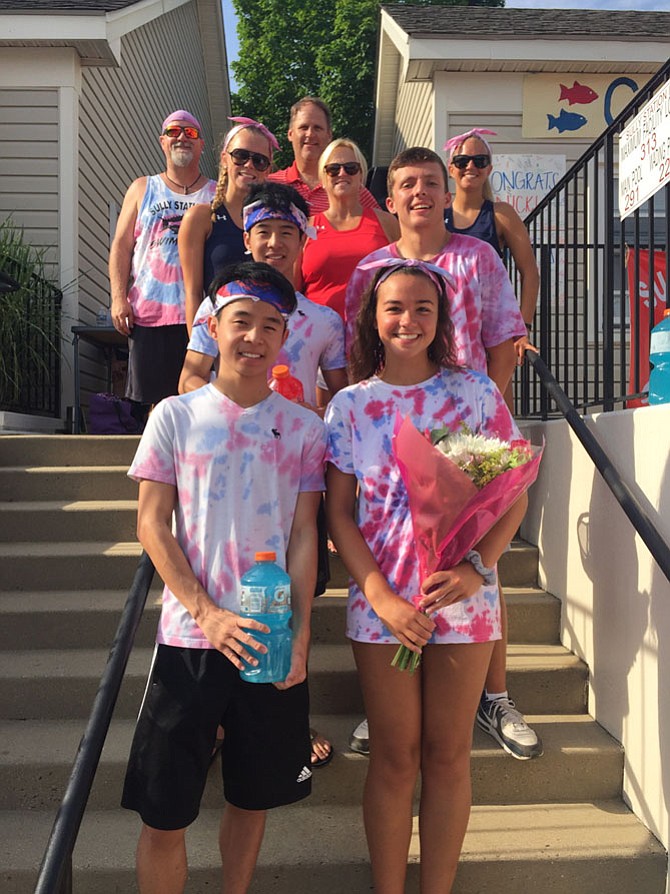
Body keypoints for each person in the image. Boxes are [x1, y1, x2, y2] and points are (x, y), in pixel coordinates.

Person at [121, 261, 326, 894]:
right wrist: (206, 612)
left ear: (284, 336)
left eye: (272, 325)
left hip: (267, 641)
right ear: (213, 326)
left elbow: (302, 536)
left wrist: (299, 635)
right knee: (164, 812)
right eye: (242, 321)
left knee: (253, 796)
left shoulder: (304, 429)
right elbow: (153, 526)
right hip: (189, 641)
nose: (256, 338)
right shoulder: (175, 417)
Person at [325, 259, 528, 894]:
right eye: (395, 308)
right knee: (393, 758)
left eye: (423, 309)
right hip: (383, 608)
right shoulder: (351, 405)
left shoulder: (474, 393)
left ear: (440, 320)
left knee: (447, 757)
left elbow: (512, 490)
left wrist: (477, 567)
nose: (408, 320)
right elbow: (337, 511)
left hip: (464, 604)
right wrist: (381, 596)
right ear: (373, 318)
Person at [344, 146, 541, 762]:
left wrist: (483, 444)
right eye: (407, 184)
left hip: (468, 436)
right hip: (388, 433)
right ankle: (389, 704)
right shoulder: (371, 268)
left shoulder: (477, 256)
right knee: (397, 555)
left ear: (446, 187)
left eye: (432, 181)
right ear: (392, 197)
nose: (420, 193)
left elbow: (504, 340)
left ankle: (495, 694)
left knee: (479, 567)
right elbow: (359, 352)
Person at [179, 181, 347, 768]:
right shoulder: (216, 306)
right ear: (246, 237)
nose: (274, 242)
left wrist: (302, 410)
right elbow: (189, 379)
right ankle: (224, 722)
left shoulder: (325, 319)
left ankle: (290, 719)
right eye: (263, 231)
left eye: (287, 232)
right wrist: (246, 405)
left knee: (298, 602)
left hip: (293, 475)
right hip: (228, 474)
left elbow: (344, 399)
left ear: (305, 240)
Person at [109, 110, 216, 424]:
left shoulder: (215, 194)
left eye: (191, 133)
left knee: (200, 402)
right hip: (150, 312)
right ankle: (156, 471)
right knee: (157, 410)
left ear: (202, 146)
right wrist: (118, 297)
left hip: (201, 314)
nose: (182, 137)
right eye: (173, 131)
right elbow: (121, 246)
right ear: (162, 142)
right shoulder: (143, 188)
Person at [444, 127, 540, 408]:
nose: (470, 167)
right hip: (447, 328)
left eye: (479, 161)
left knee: (496, 411)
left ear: (489, 168)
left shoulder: (500, 214)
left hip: (489, 330)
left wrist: (522, 329)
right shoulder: (438, 216)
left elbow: (530, 272)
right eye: (462, 162)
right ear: (451, 169)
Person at [179, 116, 278, 333]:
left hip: (265, 340)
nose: (249, 165)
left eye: (259, 161)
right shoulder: (202, 217)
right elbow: (193, 294)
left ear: (268, 170)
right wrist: (198, 351)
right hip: (218, 337)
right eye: (241, 156)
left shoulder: (275, 223)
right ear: (224, 158)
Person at [300, 138, 399, 321]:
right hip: (319, 337)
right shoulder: (306, 228)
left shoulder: (386, 222)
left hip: (372, 334)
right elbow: (294, 289)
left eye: (351, 168)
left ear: (361, 175)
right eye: (333, 169)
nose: (342, 173)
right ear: (322, 178)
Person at [268, 96, 379, 212]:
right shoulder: (271, 185)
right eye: (304, 127)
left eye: (317, 128)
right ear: (290, 134)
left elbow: (381, 226)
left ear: (329, 135)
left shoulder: (352, 189)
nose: (310, 134)